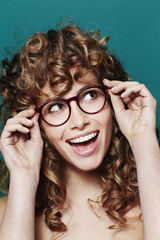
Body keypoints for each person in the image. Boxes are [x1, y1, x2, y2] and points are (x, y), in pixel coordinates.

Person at [0, 23, 159, 240]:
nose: (79, 121)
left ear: (112, 98)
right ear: (36, 123)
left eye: (90, 95)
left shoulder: (150, 199)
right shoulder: (7, 213)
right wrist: (23, 177)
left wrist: (144, 141)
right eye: (55, 107)